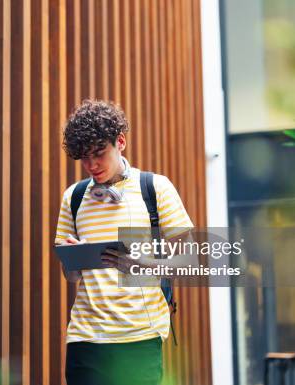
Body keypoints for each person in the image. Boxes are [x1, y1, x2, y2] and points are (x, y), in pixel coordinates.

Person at [54, 100, 194, 385]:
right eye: (84, 157)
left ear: (120, 142)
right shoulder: (74, 197)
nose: (91, 165)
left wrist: (143, 266)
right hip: (85, 337)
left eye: (99, 153)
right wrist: (71, 258)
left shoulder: (155, 188)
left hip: (139, 337)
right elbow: (71, 277)